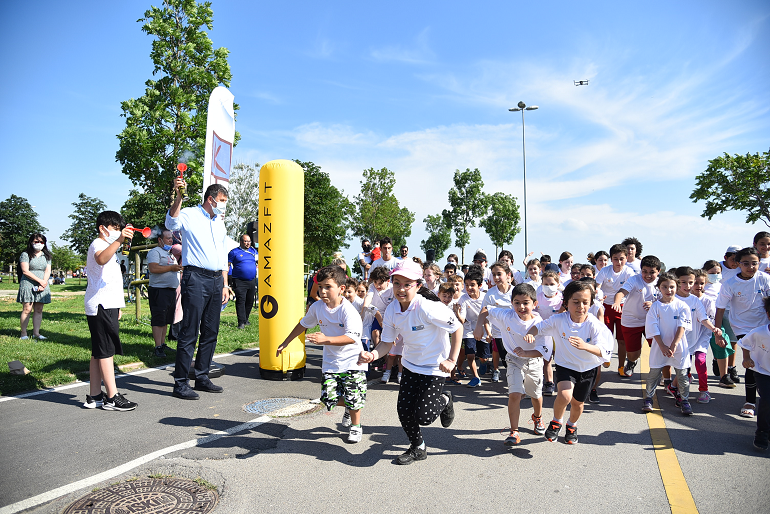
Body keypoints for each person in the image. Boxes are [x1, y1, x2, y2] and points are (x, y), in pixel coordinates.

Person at [358, 259, 462, 464]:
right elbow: (386, 344)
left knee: (424, 416)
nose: (401, 289)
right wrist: (372, 355)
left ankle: (445, 400)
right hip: (411, 366)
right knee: (404, 411)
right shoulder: (391, 310)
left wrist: (451, 360)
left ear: (418, 286)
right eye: (397, 283)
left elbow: (457, 327)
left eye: (407, 284)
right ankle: (418, 447)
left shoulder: (428, 307)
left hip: (435, 367)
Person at [277, 265, 367, 443]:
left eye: (328, 287)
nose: (322, 291)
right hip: (331, 362)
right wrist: (286, 341)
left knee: (353, 396)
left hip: (352, 361)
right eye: (320, 287)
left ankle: (356, 426)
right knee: (329, 398)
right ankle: (349, 405)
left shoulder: (348, 311)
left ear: (341, 289)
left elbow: (352, 338)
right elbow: (303, 324)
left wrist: (325, 339)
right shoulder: (317, 307)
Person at [525, 280, 612, 444]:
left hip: (588, 368)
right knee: (564, 395)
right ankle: (556, 421)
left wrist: (585, 346)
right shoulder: (559, 320)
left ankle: (572, 425)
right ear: (566, 303)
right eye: (576, 302)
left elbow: (604, 350)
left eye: (585, 302)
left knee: (578, 403)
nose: (581, 306)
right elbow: (540, 327)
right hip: (565, 365)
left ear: (590, 303)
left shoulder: (594, 324)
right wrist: (531, 333)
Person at [165, 178, 229, 400]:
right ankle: (181, 382)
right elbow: (171, 223)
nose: (224, 205)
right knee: (190, 331)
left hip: (215, 280)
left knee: (211, 332)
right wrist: (179, 196)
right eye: (222, 201)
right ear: (211, 199)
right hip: (195, 277)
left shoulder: (219, 221)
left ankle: (202, 376)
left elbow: (222, 255)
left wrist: (225, 284)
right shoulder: (190, 214)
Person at [476, 283, 551, 445]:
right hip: (513, 360)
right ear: (512, 303)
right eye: (517, 302)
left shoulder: (540, 323)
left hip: (534, 361)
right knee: (515, 394)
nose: (521, 307)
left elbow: (545, 351)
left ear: (535, 304)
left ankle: (537, 417)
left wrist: (527, 352)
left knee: (536, 395)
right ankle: (514, 431)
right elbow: (485, 310)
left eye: (526, 303)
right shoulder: (506, 315)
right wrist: (478, 327)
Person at [82, 211, 138, 411]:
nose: (117, 232)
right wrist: (120, 240)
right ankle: (112, 397)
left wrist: (118, 306)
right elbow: (100, 260)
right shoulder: (99, 244)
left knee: (99, 352)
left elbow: (112, 281)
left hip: (107, 304)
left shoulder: (110, 248)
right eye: (115, 228)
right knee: (106, 351)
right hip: (100, 305)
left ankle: (95, 395)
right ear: (102, 228)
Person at [715, 247, 770, 418]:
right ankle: (750, 402)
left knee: (763, 362)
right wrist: (718, 332)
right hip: (742, 328)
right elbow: (720, 309)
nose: (750, 267)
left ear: (759, 263)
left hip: (763, 326)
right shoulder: (730, 284)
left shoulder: (765, 279)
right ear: (738, 264)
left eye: (754, 263)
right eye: (746, 263)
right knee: (752, 362)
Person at [612, 255, 662, 378]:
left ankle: (662, 375)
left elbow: (668, 301)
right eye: (645, 272)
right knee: (633, 354)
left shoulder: (662, 283)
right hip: (631, 321)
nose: (648, 275)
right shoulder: (634, 280)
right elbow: (621, 292)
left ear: (658, 271)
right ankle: (632, 362)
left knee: (659, 349)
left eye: (652, 272)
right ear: (641, 270)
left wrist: (654, 304)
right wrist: (617, 302)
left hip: (652, 322)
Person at [596, 244, 636, 377]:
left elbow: (630, 289)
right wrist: (598, 294)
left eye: (622, 259)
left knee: (622, 340)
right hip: (606, 307)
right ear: (611, 259)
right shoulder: (605, 271)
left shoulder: (629, 272)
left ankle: (621, 366)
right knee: (606, 335)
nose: (619, 262)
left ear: (627, 258)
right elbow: (597, 286)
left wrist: (619, 302)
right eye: (615, 259)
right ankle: (605, 358)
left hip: (623, 308)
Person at [737, 296, 770, 450]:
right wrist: (746, 358)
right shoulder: (759, 332)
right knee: (767, 399)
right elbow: (744, 343)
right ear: (769, 314)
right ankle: (762, 432)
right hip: (762, 371)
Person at [147, 229, 182, 357]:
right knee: (158, 319)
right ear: (160, 240)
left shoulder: (170, 254)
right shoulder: (155, 252)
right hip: (159, 290)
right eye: (168, 238)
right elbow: (153, 268)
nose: (170, 240)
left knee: (166, 320)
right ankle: (158, 347)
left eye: (171, 238)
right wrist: (172, 268)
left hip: (170, 290)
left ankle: (162, 344)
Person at [481, 261, 515, 382]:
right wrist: (487, 332)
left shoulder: (516, 292)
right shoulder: (490, 294)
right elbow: (484, 314)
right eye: (493, 274)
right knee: (507, 362)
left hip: (516, 334)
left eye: (499, 274)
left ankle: (520, 386)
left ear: (508, 274)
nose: (496, 277)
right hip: (499, 334)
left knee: (516, 361)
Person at [17, 233, 52, 340]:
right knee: (27, 308)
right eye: (36, 241)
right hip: (28, 283)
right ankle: (24, 333)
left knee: (39, 309)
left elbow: (47, 270)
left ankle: (36, 333)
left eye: (41, 242)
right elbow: (25, 271)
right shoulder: (25, 254)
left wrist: (44, 282)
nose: (39, 244)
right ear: (31, 242)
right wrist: (40, 281)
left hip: (42, 284)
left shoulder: (47, 256)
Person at [457, 268, 486, 388]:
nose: (469, 288)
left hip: (483, 329)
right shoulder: (463, 298)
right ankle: (476, 377)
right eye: (467, 285)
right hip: (469, 330)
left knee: (483, 357)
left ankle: (485, 363)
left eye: (472, 285)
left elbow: (489, 315)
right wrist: (457, 312)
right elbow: (462, 319)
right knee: (470, 354)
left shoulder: (485, 297)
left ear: (479, 285)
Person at [537, 269, 563, 396]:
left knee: (559, 358)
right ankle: (548, 382)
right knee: (546, 359)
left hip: (557, 332)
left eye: (552, 284)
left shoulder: (562, 298)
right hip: (542, 332)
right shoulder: (538, 297)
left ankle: (563, 381)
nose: (549, 287)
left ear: (558, 284)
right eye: (546, 284)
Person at [228, 234, 258, 329]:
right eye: (246, 241)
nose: (248, 243)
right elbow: (227, 265)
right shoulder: (234, 252)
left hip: (252, 280)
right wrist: (229, 277)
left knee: (250, 301)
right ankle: (241, 322)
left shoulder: (253, 251)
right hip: (239, 280)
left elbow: (258, 262)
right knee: (241, 301)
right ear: (241, 242)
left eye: (249, 241)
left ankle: (246, 319)